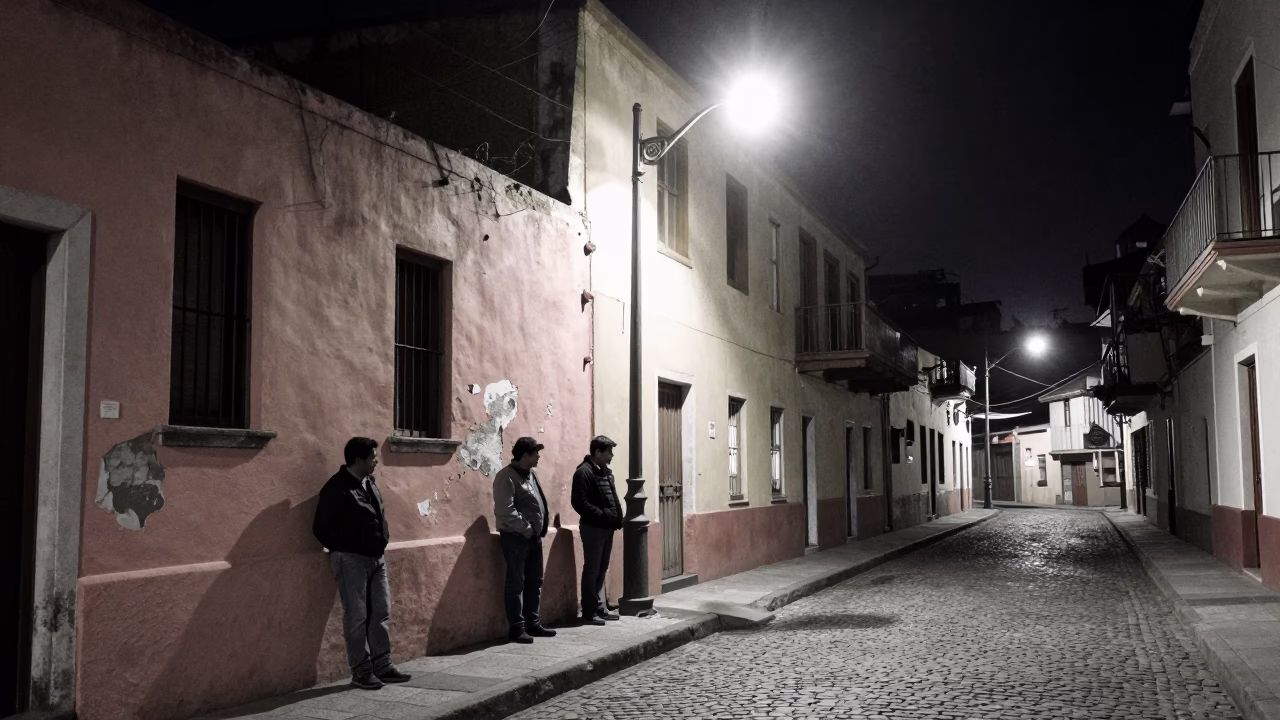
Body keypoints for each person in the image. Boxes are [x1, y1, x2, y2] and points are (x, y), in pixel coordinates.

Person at [312, 437, 411, 690]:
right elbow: (320, 528)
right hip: (350, 560)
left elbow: (378, 516)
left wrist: (382, 539)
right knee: (356, 616)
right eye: (373, 458)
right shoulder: (337, 488)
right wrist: (345, 547)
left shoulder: (370, 482)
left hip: (376, 558)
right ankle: (361, 671)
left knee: (381, 611)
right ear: (358, 460)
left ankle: (382, 665)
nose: (376, 461)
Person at [493, 437, 559, 643]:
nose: (539, 456)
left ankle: (533, 623)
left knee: (534, 580)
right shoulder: (506, 477)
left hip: (533, 537)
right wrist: (527, 528)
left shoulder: (531, 474)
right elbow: (505, 511)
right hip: (515, 537)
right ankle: (517, 627)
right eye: (535, 453)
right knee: (516, 582)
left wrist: (537, 529)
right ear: (524, 456)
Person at [571, 436, 623, 625]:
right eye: (609, 452)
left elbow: (611, 498)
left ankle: (600, 608)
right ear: (598, 452)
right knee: (592, 570)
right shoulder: (583, 472)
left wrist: (616, 518)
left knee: (601, 569)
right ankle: (589, 611)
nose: (611, 456)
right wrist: (603, 515)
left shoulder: (605, 472)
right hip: (593, 528)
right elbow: (579, 503)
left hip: (606, 528)